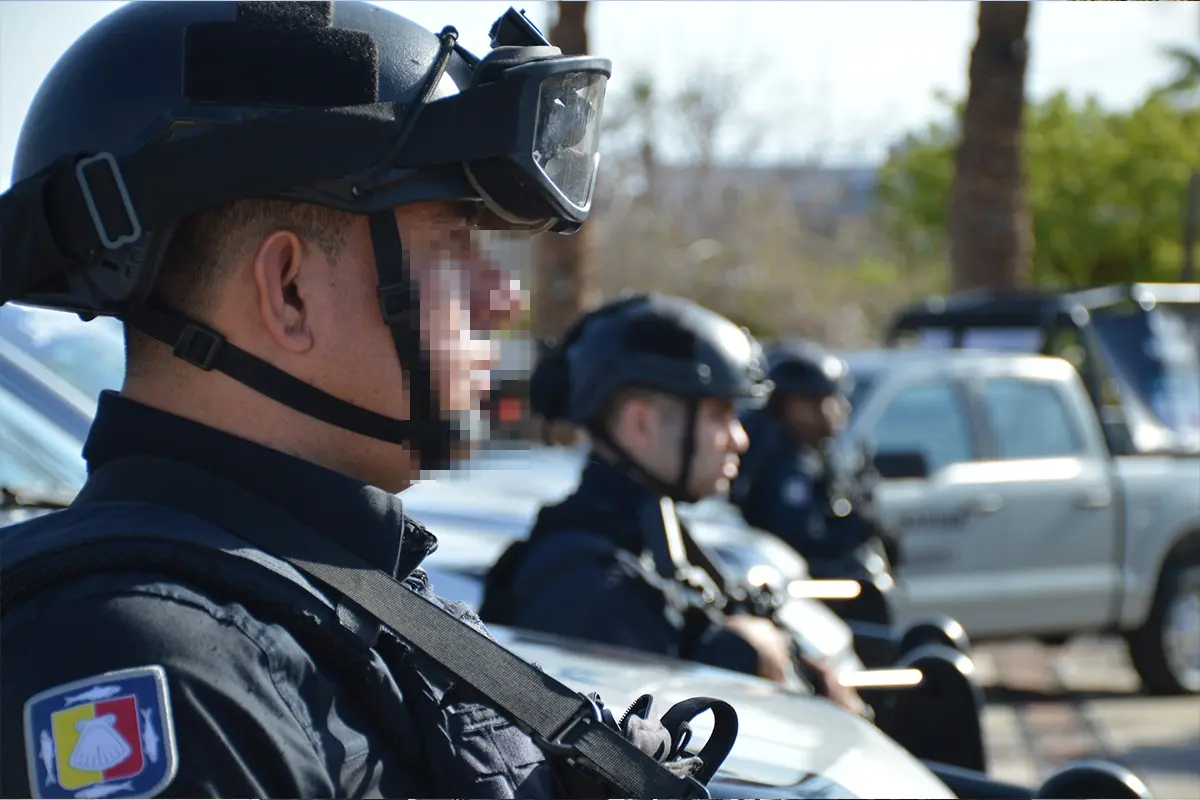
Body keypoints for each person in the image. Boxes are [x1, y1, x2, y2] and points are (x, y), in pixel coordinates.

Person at [0, 3, 720, 798]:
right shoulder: (145, 662)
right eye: (455, 243)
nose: (501, 295)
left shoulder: (314, 597)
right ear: (291, 291)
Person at [478, 294, 867, 714]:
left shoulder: (644, 536)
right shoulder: (584, 586)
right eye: (720, 414)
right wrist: (739, 658)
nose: (740, 439)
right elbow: (624, 756)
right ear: (640, 423)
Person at [728, 340, 901, 621]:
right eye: (829, 399)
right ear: (797, 406)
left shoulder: (814, 454)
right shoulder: (781, 468)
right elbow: (799, 545)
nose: (841, 409)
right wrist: (856, 527)